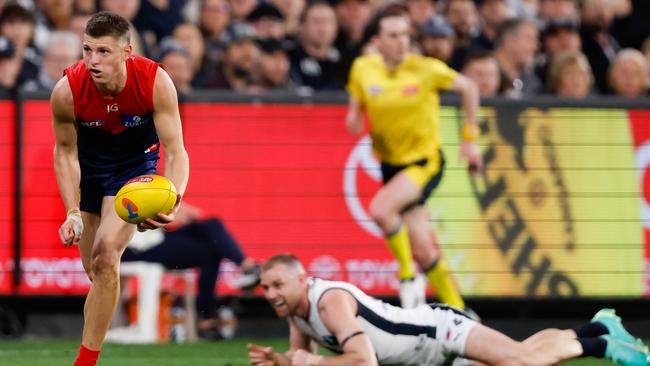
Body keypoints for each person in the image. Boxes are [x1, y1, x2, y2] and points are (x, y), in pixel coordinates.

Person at [51, 11, 190, 366]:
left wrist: (172, 197)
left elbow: (176, 150)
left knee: (105, 257)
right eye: (87, 50)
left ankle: (84, 362)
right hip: (90, 176)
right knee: (97, 273)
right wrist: (71, 211)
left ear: (127, 51)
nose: (93, 60)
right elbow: (65, 153)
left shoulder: (154, 80)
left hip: (134, 173)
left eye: (103, 52)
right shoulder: (67, 91)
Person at [248, 253, 650, 366]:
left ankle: (601, 345)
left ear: (302, 278)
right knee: (521, 351)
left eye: (277, 284)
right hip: (426, 355)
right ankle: (596, 327)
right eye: (265, 287)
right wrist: (284, 360)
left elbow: (363, 361)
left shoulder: (328, 300)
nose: (270, 293)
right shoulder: (296, 311)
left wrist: (306, 363)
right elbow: (307, 358)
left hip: (438, 332)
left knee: (521, 361)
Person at [345, 8, 482, 310]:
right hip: (390, 163)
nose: (402, 42)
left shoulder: (426, 69)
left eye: (406, 34)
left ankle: (408, 278)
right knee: (423, 248)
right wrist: (354, 117)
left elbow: (469, 88)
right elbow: (355, 114)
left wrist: (470, 140)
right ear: (377, 41)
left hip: (424, 162)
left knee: (381, 209)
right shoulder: (363, 69)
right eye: (393, 35)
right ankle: (461, 311)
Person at [120, 202, 260, 340]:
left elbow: (169, 207)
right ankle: (245, 268)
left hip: (157, 237)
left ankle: (208, 318)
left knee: (213, 228)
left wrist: (179, 211)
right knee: (210, 251)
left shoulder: (144, 184)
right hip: (136, 248)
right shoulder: (112, 188)